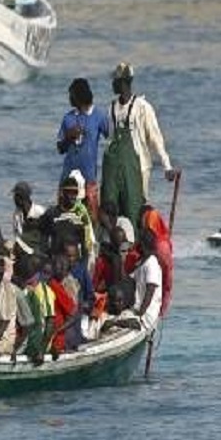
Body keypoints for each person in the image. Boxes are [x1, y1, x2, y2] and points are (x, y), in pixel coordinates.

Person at [101, 62, 176, 229]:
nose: (112, 84)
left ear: (124, 82)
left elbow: (155, 138)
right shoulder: (111, 108)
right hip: (117, 169)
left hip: (139, 167)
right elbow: (111, 140)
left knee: (135, 207)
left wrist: (167, 166)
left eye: (115, 81)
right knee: (113, 207)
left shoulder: (142, 107)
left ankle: (138, 243)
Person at [57, 78, 109, 222]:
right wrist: (68, 137)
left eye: (71, 95)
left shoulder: (99, 116)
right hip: (68, 178)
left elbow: (111, 139)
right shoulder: (68, 118)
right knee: (65, 217)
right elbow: (60, 148)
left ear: (79, 96)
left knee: (91, 219)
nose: (69, 98)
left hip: (89, 178)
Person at [130, 229, 162, 329]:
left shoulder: (151, 263)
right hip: (137, 308)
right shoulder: (142, 261)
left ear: (143, 244)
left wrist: (140, 313)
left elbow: (150, 290)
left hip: (146, 315)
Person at [11, 181, 45, 245]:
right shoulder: (16, 214)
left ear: (23, 197)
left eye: (16, 195)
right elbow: (17, 236)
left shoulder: (40, 211)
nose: (14, 198)